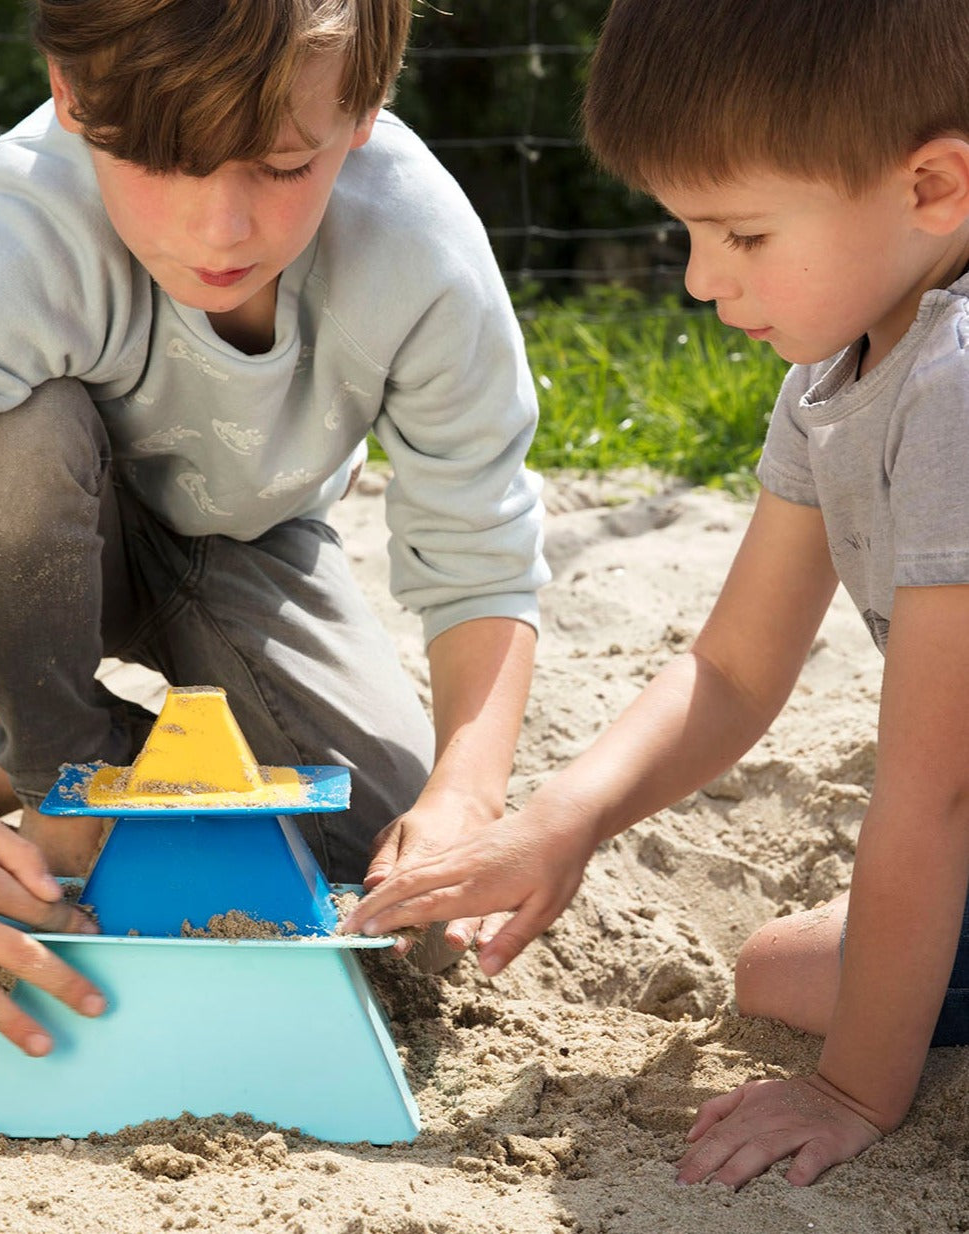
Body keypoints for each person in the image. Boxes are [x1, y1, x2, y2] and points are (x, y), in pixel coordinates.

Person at [344, 0, 969, 1189]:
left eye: (738, 232)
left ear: (931, 186)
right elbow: (732, 667)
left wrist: (852, 1091)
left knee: (832, 992)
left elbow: (933, 791)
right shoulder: (842, 362)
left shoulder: (957, 387)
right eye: (685, 228)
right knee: (781, 969)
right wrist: (563, 821)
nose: (694, 278)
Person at [0, 0, 548, 1059]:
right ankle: (57, 775)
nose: (223, 227)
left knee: (377, 845)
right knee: (19, 439)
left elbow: (479, 546)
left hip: (248, 543)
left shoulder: (415, 246)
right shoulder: (12, 230)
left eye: (284, 166)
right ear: (73, 96)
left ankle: (49, 763)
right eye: (163, 160)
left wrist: (468, 795)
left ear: (364, 107)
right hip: (23, 549)